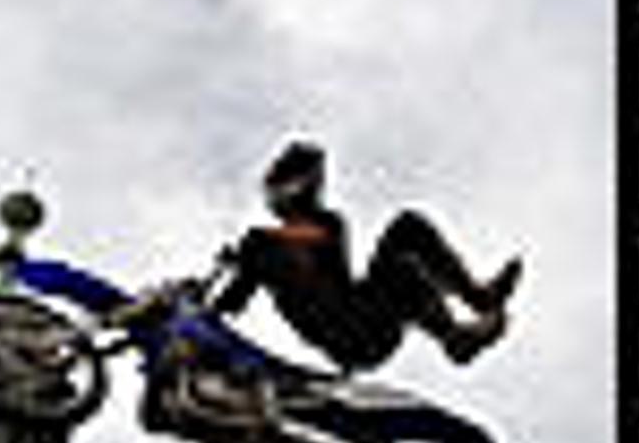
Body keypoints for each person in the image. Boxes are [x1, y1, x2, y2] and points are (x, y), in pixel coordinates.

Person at [213, 141, 523, 373]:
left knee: (408, 229)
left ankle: (469, 313)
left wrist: (243, 260)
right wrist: (216, 301)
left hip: (357, 325)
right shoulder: (266, 248)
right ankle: (457, 335)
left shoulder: (324, 226)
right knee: (403, 269)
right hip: (351, 331)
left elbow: (305, 239)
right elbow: (242, 287)